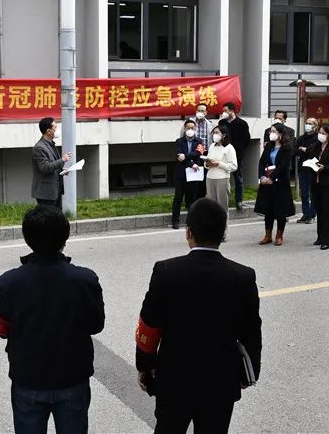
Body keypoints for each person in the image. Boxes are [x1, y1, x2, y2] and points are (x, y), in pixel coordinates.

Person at [135, 198, 262, 434]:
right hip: (221, 380)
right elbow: (252, 332)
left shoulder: (166, 271)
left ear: (188, 232)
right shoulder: (243, 276)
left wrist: (144, 366)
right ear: (223, 233)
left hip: (174, 379)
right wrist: (249, 372)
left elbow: (149, 326)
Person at [0, 205, 104, 434]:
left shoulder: (9, 282)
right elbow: (96, 325)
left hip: (28, 378)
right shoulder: (85, 279)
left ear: (27, 238)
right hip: (72, 377)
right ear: (65, 238)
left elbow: (0, 327)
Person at [254, 123, 296, 246]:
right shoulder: (269, 146)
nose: (271, 134)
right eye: (270, 131)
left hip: (280, 182)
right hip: (266, 182)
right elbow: (262, 162)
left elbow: (283, 166)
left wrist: (272, 178)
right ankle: (267, 235)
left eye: (273, 131)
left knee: (280, 210)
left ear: (280, 134)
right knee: (268, 209)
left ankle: (279, 235)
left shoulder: (287, 148)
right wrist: (262, 176)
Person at [308, 124, 329, 250]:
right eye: (319, 132)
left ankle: (326, 240)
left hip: (327, 183)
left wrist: (325, 168)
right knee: (319, 210)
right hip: (315, 181)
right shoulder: (316, 146)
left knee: (326, 211)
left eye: (323, 133)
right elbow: (311, 157)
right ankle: (320, 236)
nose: (320, 135)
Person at [31, 117, 72, 209]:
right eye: (55, 128)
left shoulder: (51, 144)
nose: (57, 130)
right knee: (48, 217)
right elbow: (45, 168)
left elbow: (53, 165)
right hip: (46, 193)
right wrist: (62, 160)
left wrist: (62, 171)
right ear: (48, 131)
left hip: (55, 190)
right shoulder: (39, 147)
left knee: (57, 216)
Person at [171, 120, 205, 229]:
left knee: (192, 199)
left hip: (194, 174)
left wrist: (185, 156)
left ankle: (191, 221)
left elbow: (198, 153)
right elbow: (179, 157)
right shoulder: (179, 141)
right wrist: (191, 163)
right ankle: (175, 221)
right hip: (181, 174)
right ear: (185, 129)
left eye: (192, 128)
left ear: (195, 129)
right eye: (188, 128)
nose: (190, 130)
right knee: (178, 198)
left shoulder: (199, 141)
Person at [218, 102, 250, 212]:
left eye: (225, 111)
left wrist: (239, 149)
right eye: (223, 111)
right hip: (223, 154)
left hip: (237, 155)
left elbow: (246, 139)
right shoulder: (222, 122)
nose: (224, 113)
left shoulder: (242, 123)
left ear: (232, 111)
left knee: (238, 178)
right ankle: (222, 199)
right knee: (222, 177)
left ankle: (239, 201)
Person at [204, 125, 237, 225]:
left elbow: (234, 166)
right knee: (211, 206)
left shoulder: (229, 148)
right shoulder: (212, 146)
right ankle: (213, 229)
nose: (215, 135)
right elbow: (207, 162)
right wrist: (207, 164)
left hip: (222, 178)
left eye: (217, 132)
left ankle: (223, 230)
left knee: (222, 207)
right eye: (214, 133)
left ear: (224, 135)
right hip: (210, 177)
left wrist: (219, 164)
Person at [295, 117, 320, 224]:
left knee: (312, 192)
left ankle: (312, 214)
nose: (307, 125)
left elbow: (314, 151)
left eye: (310, 123)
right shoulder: (301, 138)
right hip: (302, 168)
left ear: (315, 126)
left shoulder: (318, 138)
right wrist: (305, 150)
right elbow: (295, 150)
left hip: (313, 168)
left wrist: (305, 149)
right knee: (304, 193)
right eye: (307, 123)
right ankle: (305, 214)